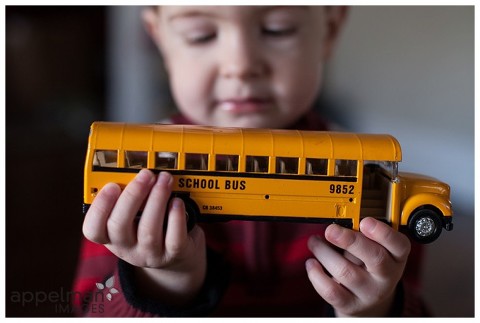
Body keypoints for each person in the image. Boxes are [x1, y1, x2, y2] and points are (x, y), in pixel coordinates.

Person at [73, 6, 430, 317]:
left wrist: (374, 308)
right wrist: (165, 279)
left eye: (278, 29)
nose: (240, 65)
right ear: (160, 40)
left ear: (330, 30)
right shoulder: (134, 185)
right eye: (201, 35)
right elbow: (93, 309)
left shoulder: (370, 174)